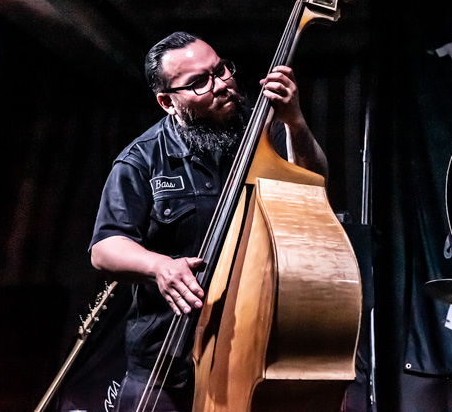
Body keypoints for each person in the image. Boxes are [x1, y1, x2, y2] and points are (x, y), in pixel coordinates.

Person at [89, 32, 328, 412]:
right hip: (166, 363)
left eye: (221, 71)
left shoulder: (262, 132)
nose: (220, 86)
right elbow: (105, 248)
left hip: (254, 351)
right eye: (199, 82)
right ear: (167, 102)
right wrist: (159, 266)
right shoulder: (143, 158)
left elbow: (312, 188)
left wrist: (294, 122)